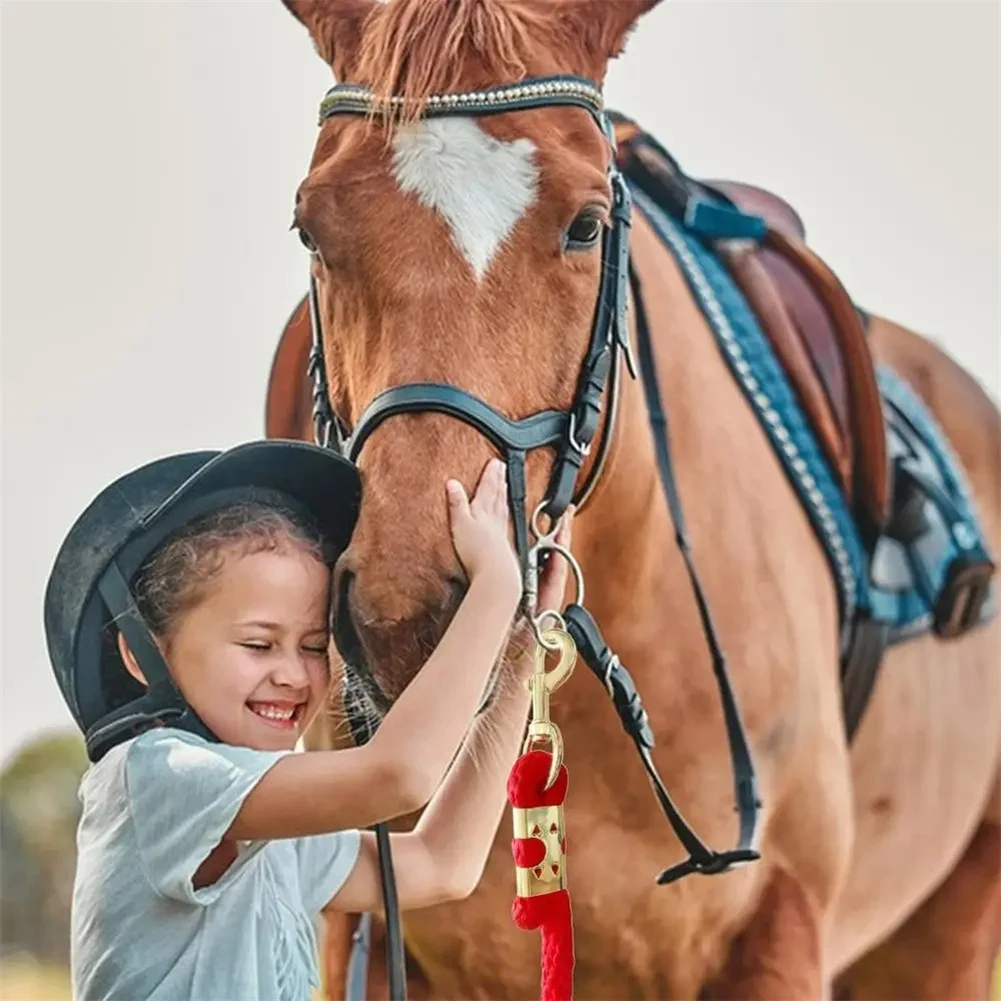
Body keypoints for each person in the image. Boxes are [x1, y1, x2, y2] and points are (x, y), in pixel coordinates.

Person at [43, 439, 572, 1001]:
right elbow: (398, 775)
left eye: (315, 647)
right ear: (140, 653)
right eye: (258, 644)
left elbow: (444, 863)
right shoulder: (157, 777)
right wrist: (494, 585)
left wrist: (520, 648)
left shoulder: (272, 840)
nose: (294, 675)